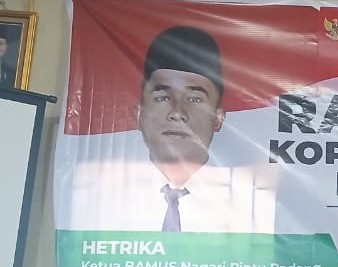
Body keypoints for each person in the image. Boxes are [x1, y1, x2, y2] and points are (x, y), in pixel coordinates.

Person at [65, 25, 276, 233]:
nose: (177, 112)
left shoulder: (250, 204)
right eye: (163, 97)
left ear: (218, 118)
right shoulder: (98, 196)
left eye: (195, 99)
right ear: (139, 115)